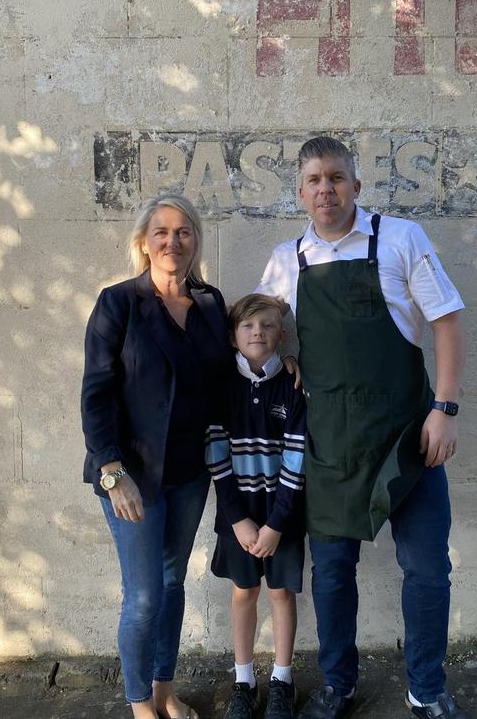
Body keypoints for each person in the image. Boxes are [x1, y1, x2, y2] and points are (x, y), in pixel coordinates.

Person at [256, 137, 467, 719]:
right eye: (316, 180)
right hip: (329, 448)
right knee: (331, 574)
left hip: (410, 440)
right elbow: (258, 336)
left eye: (337, 178)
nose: (327, 189)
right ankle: (337, 684)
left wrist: (444, 410)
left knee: (427, 569)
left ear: (357, 184)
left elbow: (447, 322)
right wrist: (287, 354)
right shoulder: (286, 260)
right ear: (301, 192)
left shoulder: (400, 238)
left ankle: (426, 688)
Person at [81, 194, 234, 719]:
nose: (173, 241)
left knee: (172, 584)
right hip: (131, 475)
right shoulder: (118, 302)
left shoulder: (211, 304)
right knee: (144, 596)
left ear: (195, 242)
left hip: (191, 474)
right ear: (145, 243)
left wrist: (283, 360)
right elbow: (96, 392)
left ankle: (165, 690)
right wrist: (110, 471)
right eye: (162, 232)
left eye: (184, 232)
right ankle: (139, 702)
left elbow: (234, 366)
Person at [205, 294, 306, 719]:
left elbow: (297, 457)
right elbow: (216, 456)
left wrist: (277, 523)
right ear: (232, 336)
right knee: (244, 591)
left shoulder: (294, 384)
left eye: (266, 325)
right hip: (239, 518)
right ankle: (243, 680)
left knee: (281, 592)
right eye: (247, 326)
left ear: (282, 335)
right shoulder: (221, 386)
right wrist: (240, 520)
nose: (257, 332)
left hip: (282, 517)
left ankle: (283, 679)